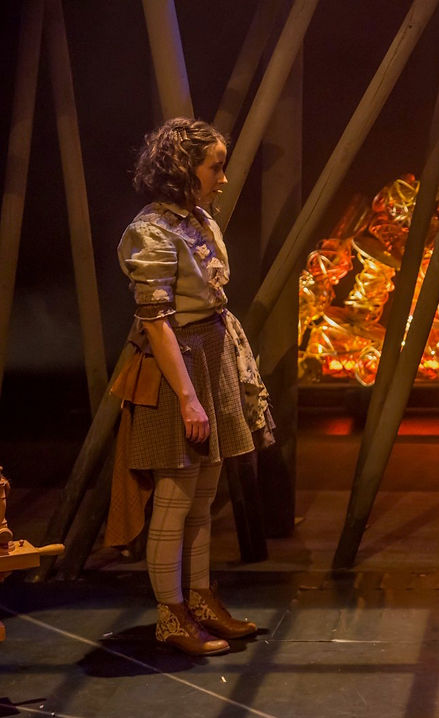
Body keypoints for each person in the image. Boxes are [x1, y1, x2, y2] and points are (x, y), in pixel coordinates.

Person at [106, 118, 274, 656]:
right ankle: (171, 615)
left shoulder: (199, 219)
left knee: (203, 498)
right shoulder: (152, 231)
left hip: (211, 354)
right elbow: (156, 321)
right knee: (175, 499)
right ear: (183, 169)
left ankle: (201, 600)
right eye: (214, 167)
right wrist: (188, 398)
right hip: (177, 364)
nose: (222, 178)